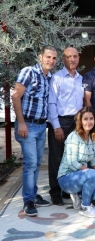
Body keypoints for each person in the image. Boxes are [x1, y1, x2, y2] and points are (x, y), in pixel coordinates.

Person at [12, 45, 57, 216]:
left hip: (40, 126)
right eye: (48, 57)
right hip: (28, 125)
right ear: (40, 56)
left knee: (37, 163)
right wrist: (21, 123)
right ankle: (28, 200)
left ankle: (33, 193)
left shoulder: (49, 77)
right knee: (30, 163)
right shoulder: (29, 72)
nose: (51, 61)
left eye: (54, 58)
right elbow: (16, 96)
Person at [57, 106, 95, 218]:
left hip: (82, 176)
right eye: (85, 119)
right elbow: (72, 162)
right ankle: (85, 207)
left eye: (91, 118)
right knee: (92, 173)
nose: (89, 122)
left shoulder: (92, 137)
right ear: (80, 121)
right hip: (66, 178)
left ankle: (78, 195)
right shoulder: (74, 137)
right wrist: (93, 174)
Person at [47, 47, 84, 206]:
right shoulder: (57, 78)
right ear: (63, 59)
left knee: (72, 158)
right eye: (69, 57)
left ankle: (66, 189)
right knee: (56, 158)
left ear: (78, 58)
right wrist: (56, 126)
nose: (72, 59)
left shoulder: (81, 78)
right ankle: (55, 192)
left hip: (76, 122)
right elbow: (51, 103)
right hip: (61, 122)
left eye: (75, 56)